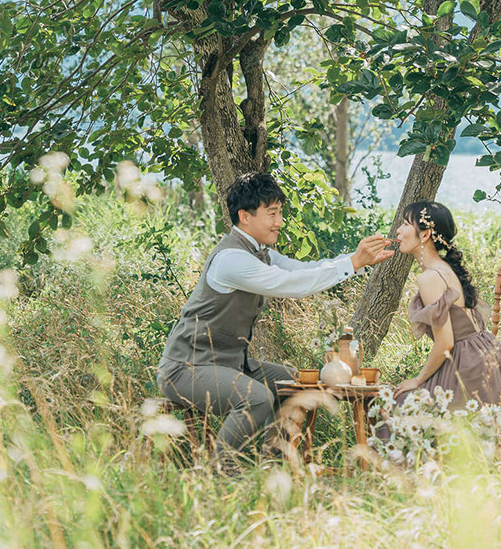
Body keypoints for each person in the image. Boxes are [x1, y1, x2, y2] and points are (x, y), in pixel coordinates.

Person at [156, 171, 393, 468]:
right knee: (256, 398)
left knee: (294, 384)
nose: (279, 222)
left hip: (229, 365)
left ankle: (274, 464)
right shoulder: (232, 260)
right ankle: (220, 474)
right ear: (244, 216)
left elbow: (303, 271)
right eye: (272, 214)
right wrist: (353, 262)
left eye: (279, 213)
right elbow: (294, 286)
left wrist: (356, 260)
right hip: (188, 368)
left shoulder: (262, 253)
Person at [389, 200, 501, 411]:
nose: (398, 229)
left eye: (405, 224)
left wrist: (418, 379)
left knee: (398, 404)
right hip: (489, 357)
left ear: (424, 235)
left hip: (471, 367)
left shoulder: (430, 277)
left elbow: (445, 343)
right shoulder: (444, 268)